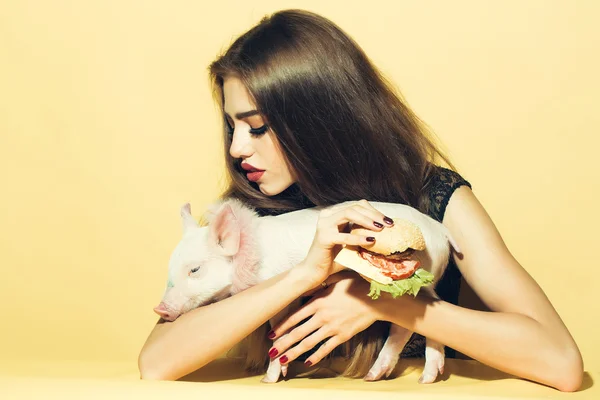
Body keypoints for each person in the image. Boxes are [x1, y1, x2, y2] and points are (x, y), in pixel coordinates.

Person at [137, 9, 583, 392]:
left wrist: (384, 299)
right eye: (232, 126)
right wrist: (304, 275)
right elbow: (157, 361)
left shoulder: (436, 198)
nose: (237, 148)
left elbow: (560, 363)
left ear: (319, 121)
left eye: (256, 127)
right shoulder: (251, 215)